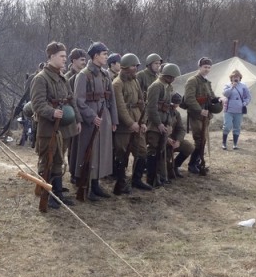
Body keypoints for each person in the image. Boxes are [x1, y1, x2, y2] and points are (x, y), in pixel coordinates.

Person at [30, 42, 79, 209]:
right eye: (62, 56)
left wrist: (77, 120)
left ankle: (58, 193)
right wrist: (52, 112)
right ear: (51, 57)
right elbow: (37, 104)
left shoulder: (62, 77)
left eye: (65, 56)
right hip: (48, 128)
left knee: (59, 160)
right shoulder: (41, 78)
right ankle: (48, 195)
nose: (65, 59)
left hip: (63, 127)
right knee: (47, 160)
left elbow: (71, 99)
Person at [73, 42, 118, 201]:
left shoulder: (105, 75)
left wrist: (114, 119)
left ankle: (96, 185)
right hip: (90, 120)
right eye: (104, 54)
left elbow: (111, 98)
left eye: (106, 54)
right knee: (89, 153)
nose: (106, 56)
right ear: (95, 55)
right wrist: (91, 117)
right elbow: (78, 100)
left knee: (102, 153)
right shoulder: (83, 75)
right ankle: (86, 186)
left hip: (104, 117)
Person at [112, 53, 151, 194]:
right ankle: (121, 182)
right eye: (133, 66)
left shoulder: (134, 80)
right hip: (124, 126)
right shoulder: (117, 83)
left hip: (137, 120)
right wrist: (130, 123)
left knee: (142, 151)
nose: (136, 68)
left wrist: (144, 121)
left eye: (136, 66)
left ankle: (137, 179)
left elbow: (141, 101)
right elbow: (120, 107)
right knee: (122, 154)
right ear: (125, 67)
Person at [183, 57, 222, 175]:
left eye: (209, 67)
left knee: (203, 140)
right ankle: (192, 165)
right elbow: (189, 99)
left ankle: (198, 162)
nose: (207, 69)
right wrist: (200, 110)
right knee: (199, 140)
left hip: (205, 116)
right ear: (199, 67)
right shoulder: (192, 81)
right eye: (205, 67)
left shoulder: (207, 82)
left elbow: (211, 97)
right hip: (196, 115)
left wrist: (219, 99)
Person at [145, 63, 181, 186]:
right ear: (167, 76)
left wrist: (169, 124)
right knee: (153, 150)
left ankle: (159, 176)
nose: (174, 79)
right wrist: (159, 124)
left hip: (164, 122)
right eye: (172, 77)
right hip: (155, 124)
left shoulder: (167, 87)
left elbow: (169, 108)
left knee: (161, 151)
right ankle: (151, 178)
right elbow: (151, 108)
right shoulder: (156, 86)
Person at [64, 48, 87, 184]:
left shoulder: (84, 75)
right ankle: (73, 173)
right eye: (82, 60)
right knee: (72, 147)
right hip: (70, 116)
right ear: (73, 61)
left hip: (81, 115)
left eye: (85, 60)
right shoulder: (67, 77)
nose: (84, 62)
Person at [221, 69, 251, 150]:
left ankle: (235, 144)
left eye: (237, 76)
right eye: (234, 76)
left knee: (237, 127)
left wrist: (244, 103)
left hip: (239, 109)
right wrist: (232, 87)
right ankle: (224, 143)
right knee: (227, 126)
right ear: (231, 78)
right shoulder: (227, 85)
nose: (236, 78)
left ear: (240, 77)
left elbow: (248, 96)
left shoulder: (243, 86)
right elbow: (225, 94)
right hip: (228, 109)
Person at [168, 91, 195, 178]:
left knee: (189, 146)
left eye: (177, 104)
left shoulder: (176, 113)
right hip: (162, 140)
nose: (175, 106)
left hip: (174, 140)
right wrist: (168, 139)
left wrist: (178, 141)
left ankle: (175, 166)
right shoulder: (161, 112)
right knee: (160, 168)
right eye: (173, 104)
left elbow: (181, 129)